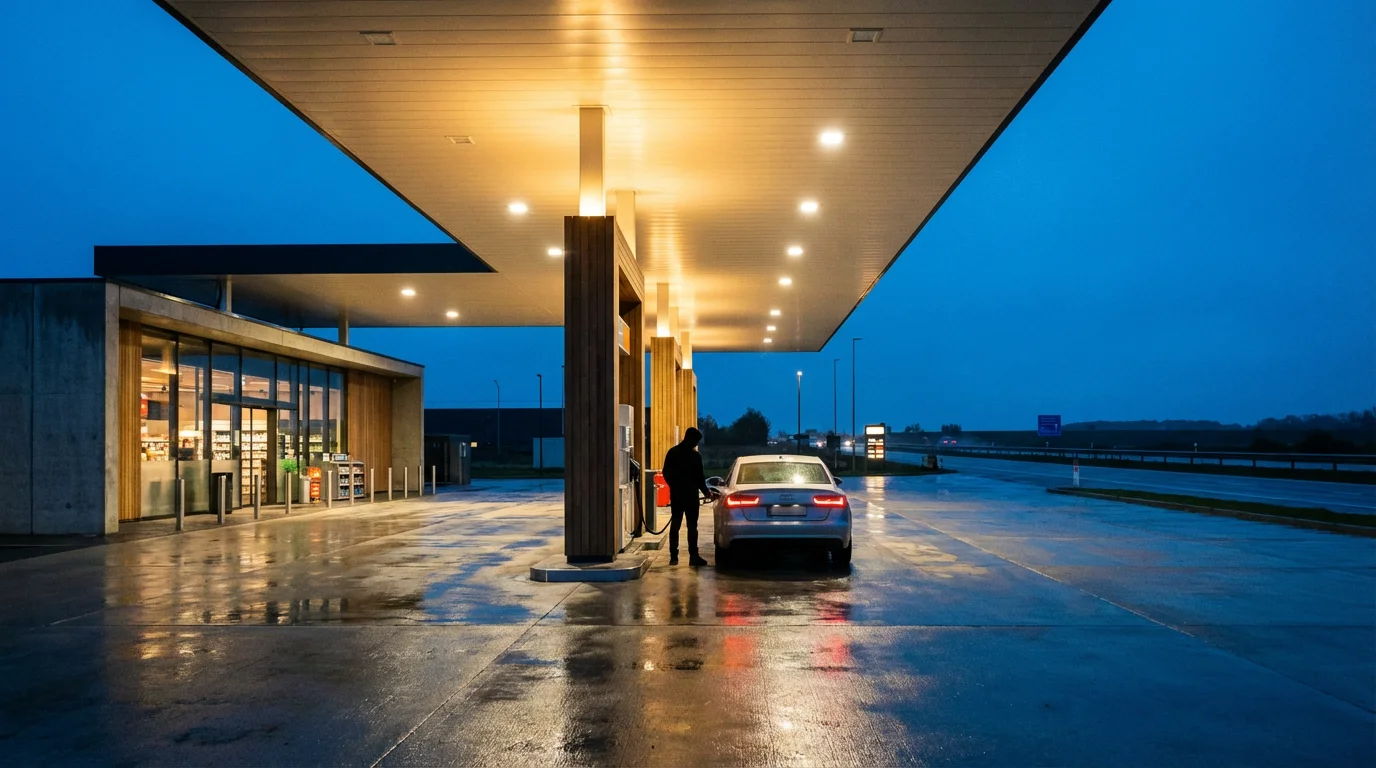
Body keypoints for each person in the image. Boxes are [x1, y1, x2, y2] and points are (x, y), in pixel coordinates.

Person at [661, 427, 715, 566]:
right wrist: (706, 492)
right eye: (696, 441)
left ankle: (674, 557)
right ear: (691, 439)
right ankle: (693, 556)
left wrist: (674, 486)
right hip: (691, 496)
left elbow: (666, 473)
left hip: (677, 495)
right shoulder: (695, 456)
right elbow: (700, 478)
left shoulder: (673, 452)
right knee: (692, 526)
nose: (696, 444)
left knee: (676, 524)